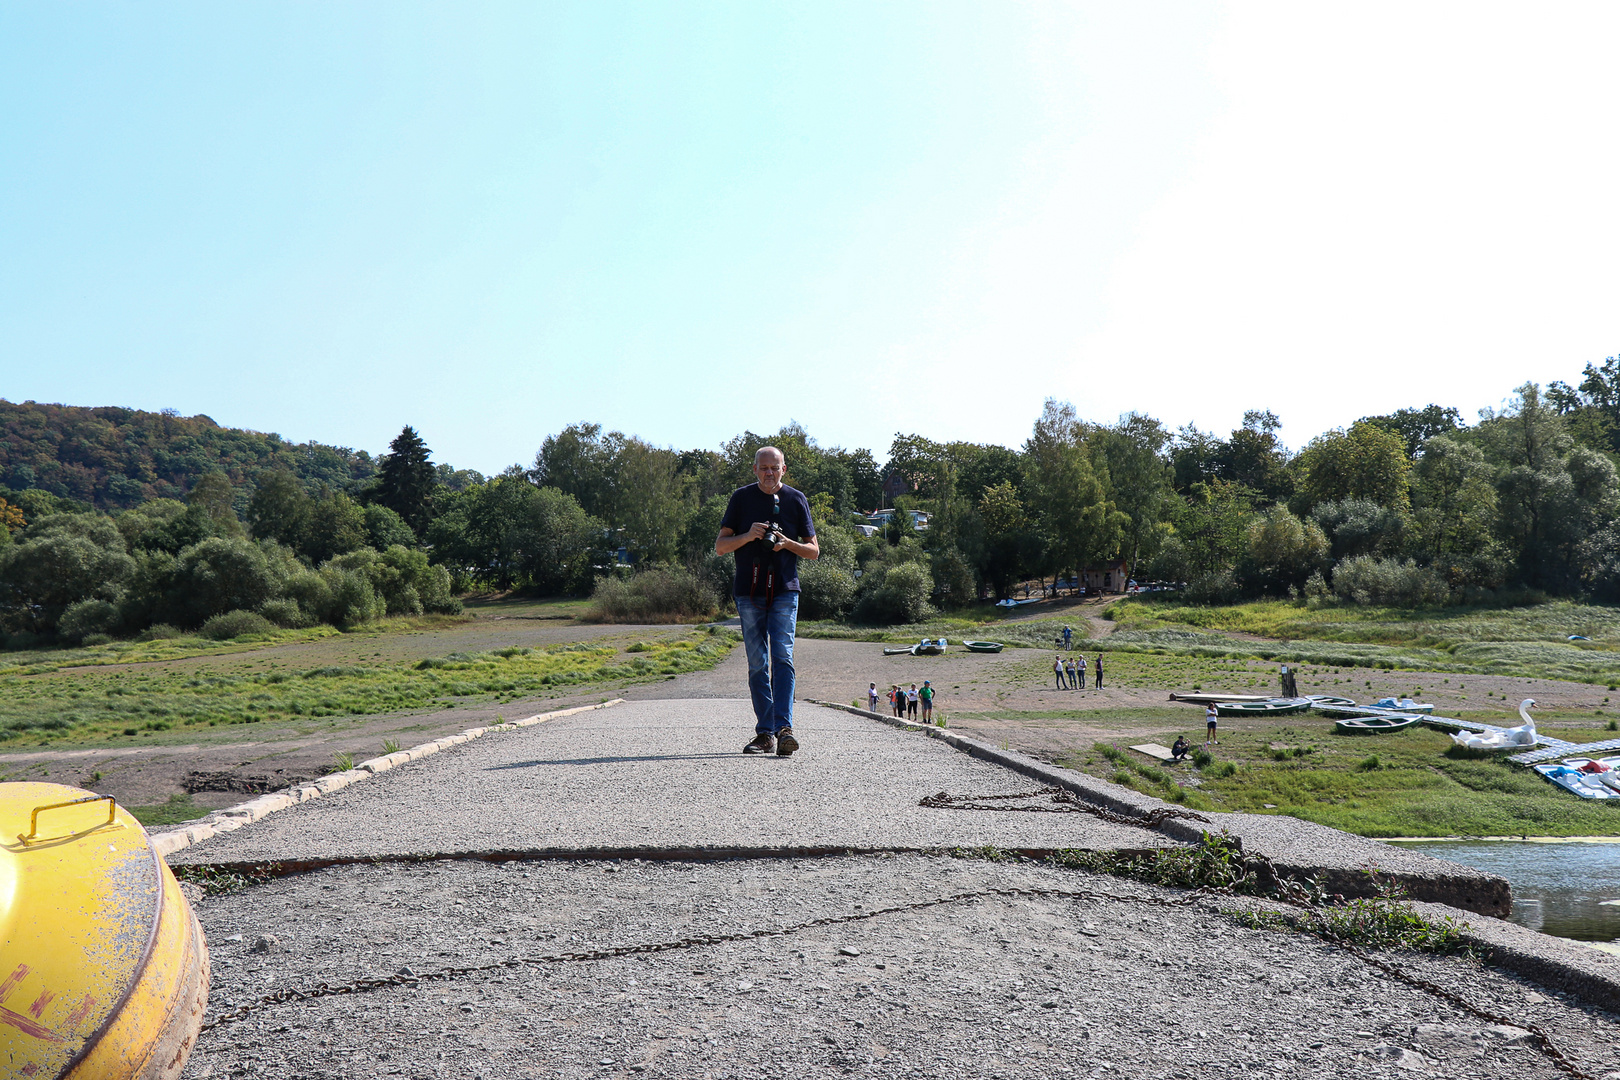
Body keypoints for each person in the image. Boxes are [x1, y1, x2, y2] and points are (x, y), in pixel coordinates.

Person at [716, 446, 819, 757]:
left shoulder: (795, 499)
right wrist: (748, 535)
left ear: (783, 469)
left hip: (785, 590)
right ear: (755, 469)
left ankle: (784, 728)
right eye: (763, 468)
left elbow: (813, 550)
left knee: (783, 658)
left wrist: (786, 542)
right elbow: (721, 546)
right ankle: (765, 733)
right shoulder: (741, 498)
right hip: (748, 591)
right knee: (758, 663)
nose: (769, 473)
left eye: (774, 468)